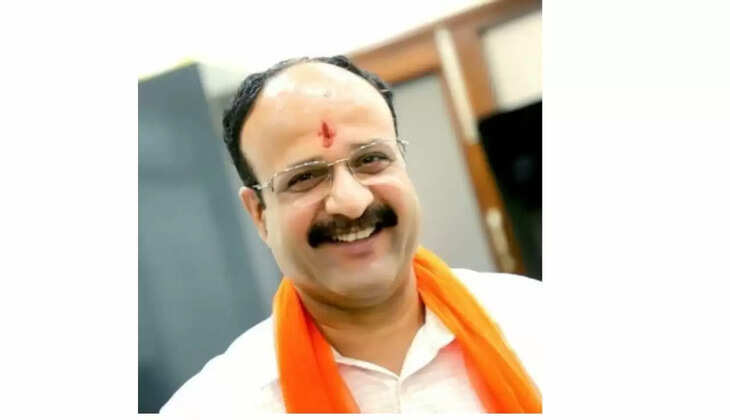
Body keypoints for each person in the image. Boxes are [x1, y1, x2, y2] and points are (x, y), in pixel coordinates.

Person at [160, 55, 542, 415]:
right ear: (259, 214)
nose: (352, 202)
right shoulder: (214, 407)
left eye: (371, 159)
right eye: (305, 177)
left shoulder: (539, 322)